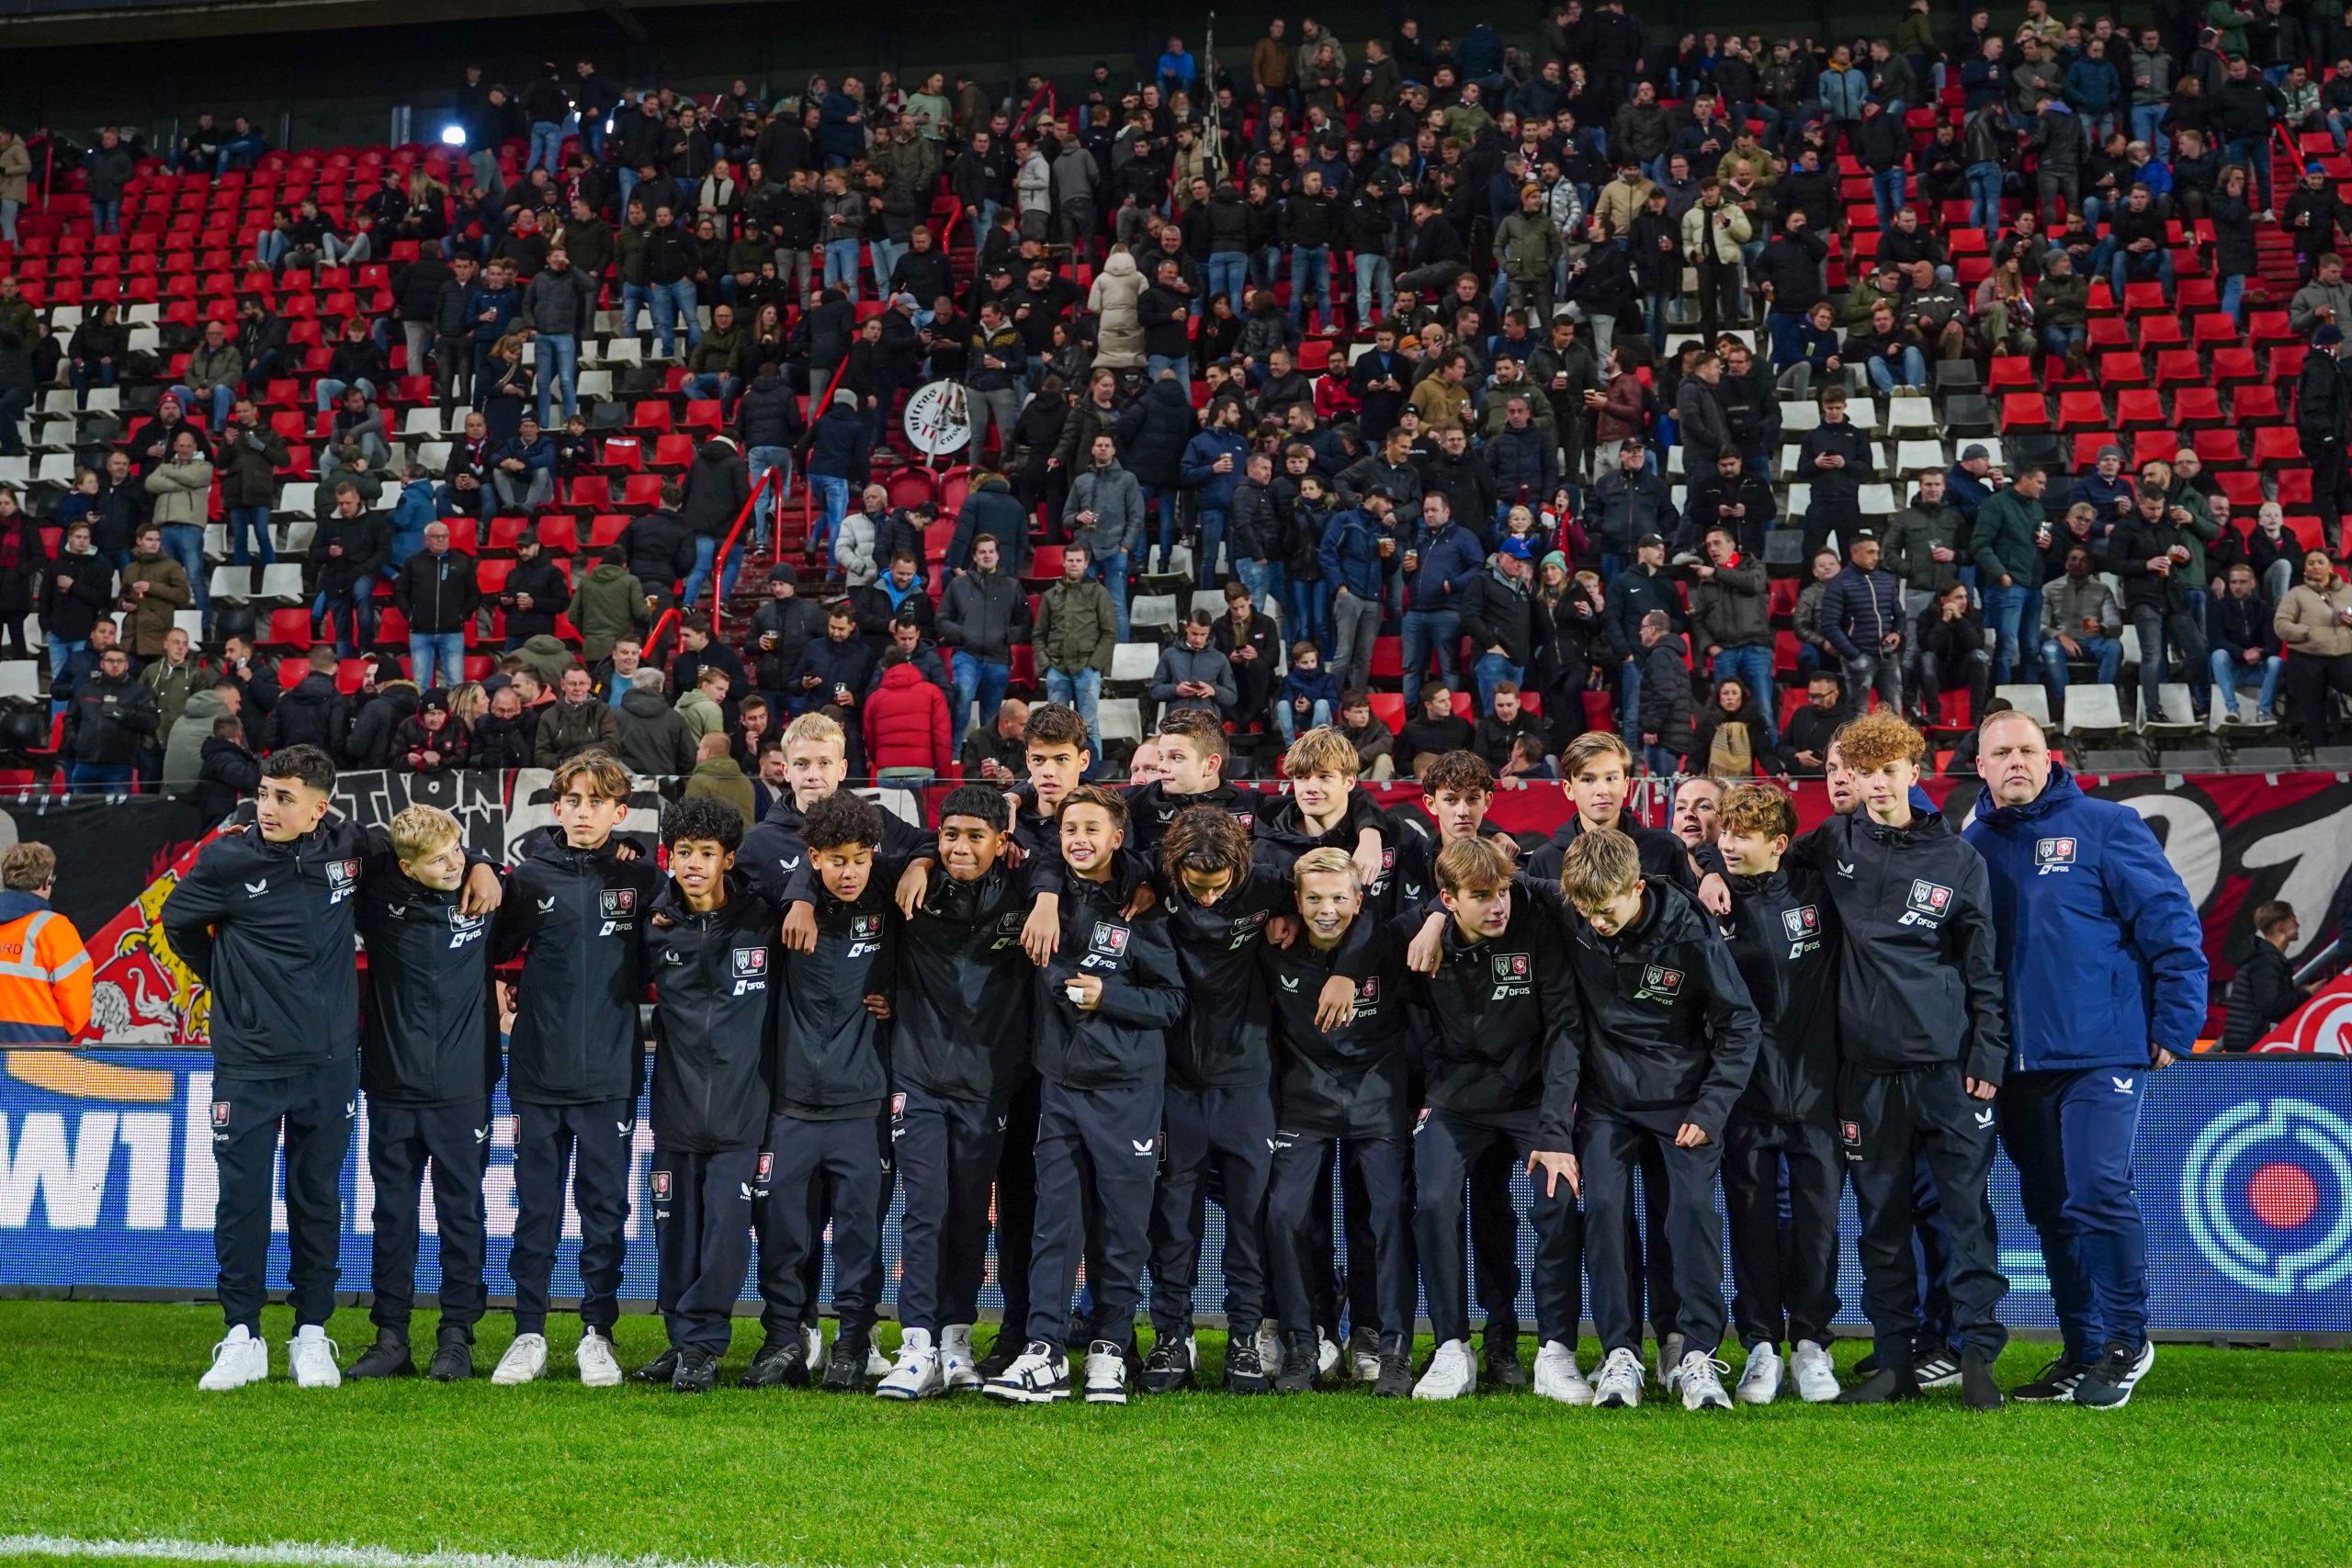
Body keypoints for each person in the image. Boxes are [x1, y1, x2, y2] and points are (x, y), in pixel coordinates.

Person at [162, 744, 499, 1391]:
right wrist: (232, 988)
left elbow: (428, 847)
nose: (268, 807)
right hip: (251, 1062)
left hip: (330, 1062)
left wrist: (480, 861)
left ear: (321, 807)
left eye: (284, 797)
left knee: (318, 1200)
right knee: (243, 1200)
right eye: (264, 792)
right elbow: (180, 925)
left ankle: (312, 1330)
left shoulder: (353, 848)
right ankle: (241, 1334)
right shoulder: (227, 857)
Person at [1967, 710, 2204, 1407]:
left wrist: (2176, 1022)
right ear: (1979, 766)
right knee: (2050, 1208)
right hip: (2016, 1063)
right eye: (2001, 752)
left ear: (2052, 757)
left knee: (2097, 1190)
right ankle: (2082, 1348)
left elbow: (2171, 922)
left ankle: (2129, 1338)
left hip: (2103, 1051)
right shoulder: (1972, 843)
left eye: (2027, 750)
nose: (2016, 761)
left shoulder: (2106, 825)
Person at [1787, 713, 2009, 1408]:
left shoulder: (1959, 859)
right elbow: (1766, 865)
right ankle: (1894, 1360)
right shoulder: (1833, 840)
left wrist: (1989, 1053)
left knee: (1964, 1214)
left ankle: (1977, 1355)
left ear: (1916, 772)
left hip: (1947, 1070)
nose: (1876, 785)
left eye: (1889, 771)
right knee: (1881, 1222)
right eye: (1863, 771)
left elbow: (1984, 968)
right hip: (1865, 1075)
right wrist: (1711, 876)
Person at [985, 785, 1184, 1405]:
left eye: (1093, 828)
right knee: (1054, 1224)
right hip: (1061, 1086)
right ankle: (1043, 1349)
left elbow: (1172, 1001)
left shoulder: (1141, 905)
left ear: (1117, 837)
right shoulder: (1045, 894)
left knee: (1122, 1228)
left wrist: (1110, 997)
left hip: (1128, 1090)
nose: (1079, 838)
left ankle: (1110, 1350)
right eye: (1071, 827)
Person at [1557, 828, 1761, 1412]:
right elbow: (1497, 886)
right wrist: (1436, 921)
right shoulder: (1576, 904)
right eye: (1585, 911)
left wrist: (1712, 1106)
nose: (1596, 922)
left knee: (1692, 1213)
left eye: (1606, 910)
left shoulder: (1688, 928)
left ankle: (1697, 1354)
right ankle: (1619, 1353)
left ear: (1637, 887)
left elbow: (1740, 1023)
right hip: (1607, 1101)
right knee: (1601, 1211)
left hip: (1684, 1102)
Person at [488, 750, 664, 1388]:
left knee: (604, 1210)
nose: (584, 811)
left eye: (598, 801)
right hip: (537, 1072)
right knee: (536, 1211)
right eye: (574, 800)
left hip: (611, 1075)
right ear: (557, 806)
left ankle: (598, 1332)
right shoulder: (528, 877)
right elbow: (493, 945)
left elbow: (666, 958)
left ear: (619, 812)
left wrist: (636, 852)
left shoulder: (643, 881)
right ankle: (528, 1331)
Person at [1404, 834, 1581, 1401]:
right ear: (1448, 899)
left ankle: (1556, 1350)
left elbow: (1565, 1029)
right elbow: (1362, 947)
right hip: (1456, 1101)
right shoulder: (1417, 936)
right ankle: (1452, 1348)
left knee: (1556, 1200)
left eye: (1502, 891)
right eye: (1481, 895)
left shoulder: (1537, 921)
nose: (1498, 905)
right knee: (1433, 1203)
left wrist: (1555, 1129)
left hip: (1530, 1100)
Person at [875, 784, 1035, 1399]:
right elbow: (865, 827)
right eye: (950, 835)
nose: (960, 847)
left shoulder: (1026, 889)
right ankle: (915, 1343)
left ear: (1003, 841)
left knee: (971, 1215)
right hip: (917, 1075)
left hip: (990, 1081)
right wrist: (919, 858)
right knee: (924, 1209)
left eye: (975, 836)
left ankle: (957, 1341)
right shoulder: (912, 878)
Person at [746, 788, 897, 1392]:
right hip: (790, 1107)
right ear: (813, 858)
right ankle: (785, 1338)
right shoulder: (783, 913)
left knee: (860, 1238)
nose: (849, 870)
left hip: (863, 1106)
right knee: (783, 1236)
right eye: (836, 859)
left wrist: (899, 1003)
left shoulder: (894, 906)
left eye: (860, 858)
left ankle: (854, 1342)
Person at [1138, 807, 1293, 1394]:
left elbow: (1340, 892)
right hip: (1174, 1080)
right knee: (1174, 1222)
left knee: (1250, 1221)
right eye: (1193, 889)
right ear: (1174, 867)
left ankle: (1245, 1340)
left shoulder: (1272, 884)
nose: (1205, 900)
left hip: (1248, 1080)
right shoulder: (1149, 873)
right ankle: (1171, 1339)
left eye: (1218, 888)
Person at [625, 796, 774, 1394]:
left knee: (724, 1236)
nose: (692, 863)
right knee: (676, 1233)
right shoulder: (655, 928)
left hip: (743, 1113)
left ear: (727, 859)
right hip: (676, 1109)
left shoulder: (763, 920)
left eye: (705, 853)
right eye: (683, 852)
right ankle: (681, 1338)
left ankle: (703, 1345)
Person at [347, 805, 499, 1383]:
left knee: (462, 1215)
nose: (455, 863)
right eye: (440, 859)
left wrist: (481, 862)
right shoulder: (378, 895)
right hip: (391, 1086)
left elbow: (488, 873)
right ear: (407, 868)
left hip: (463, 1089)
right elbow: (349, 844)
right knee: (393, 1217)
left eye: (459, 851)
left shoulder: (484, 894)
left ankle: (456, 1337)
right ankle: (391, 1338)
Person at [1261, 847, 1417, 1396]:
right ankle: (1304, 1345)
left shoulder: (1387, 943)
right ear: (1296, 902)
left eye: (1338, 898)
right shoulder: (1275, 947)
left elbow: (1416, 917)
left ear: (1358, 898)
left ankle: (1393, 1347)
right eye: (1314, 899)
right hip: (1305, 1098)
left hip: (1378, 1096)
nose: (1326, 909)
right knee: (1284, 1214)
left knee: (1390, 1214)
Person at [1710, 784, 1844, 1404]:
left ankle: (1812, 1342)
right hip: (1745, 1092)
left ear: (1780, 844)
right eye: (1725, 832)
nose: (1729, 843)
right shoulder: (1709, 900)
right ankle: (1760, 1344)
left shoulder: (1819, 890)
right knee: (1752, 1221)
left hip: (1818, 1089)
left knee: (1817, 1224)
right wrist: (1705, 870)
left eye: (1743, 834)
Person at [0, 843, 92, 1049]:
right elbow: (76, 997)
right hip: (40, 1053)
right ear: (46, 882)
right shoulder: (54, 929)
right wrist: (61, 1032)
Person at [2275, 548, 2352, 750]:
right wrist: (2309, 633)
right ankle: (2320, 755)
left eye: (2320, 562)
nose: (2315, 566)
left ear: (2331, 567)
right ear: (2305, 569)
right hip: (2306, 657)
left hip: (2343, 655)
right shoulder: (2296, 594)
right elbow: (2281, 625)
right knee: (2313, 709)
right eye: (2310, 563)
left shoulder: (2349, 591)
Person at [2209, 560, 2287, 724]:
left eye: (2242, 582)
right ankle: (2232, 709)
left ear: (2252, 583)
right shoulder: (2219, 608)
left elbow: (2275, 645)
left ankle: (2264, 711)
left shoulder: (2265, 609)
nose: (2237, 586)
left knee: (2276, 661)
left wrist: (2260, 653)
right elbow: (2216, 641)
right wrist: (2242, 653)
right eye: (2233, 582)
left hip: (2257, 670)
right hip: (2233, 670)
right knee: (2218, 655)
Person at [2222, 900, 2306, 1051]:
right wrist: (2306, 993)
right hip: (2255, 1044)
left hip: (2245, 1041)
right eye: (2293, 920)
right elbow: (2271, 1005)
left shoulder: (2260, 956)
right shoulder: (2266, 960)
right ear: (2279, 925)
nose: (2298, 925)